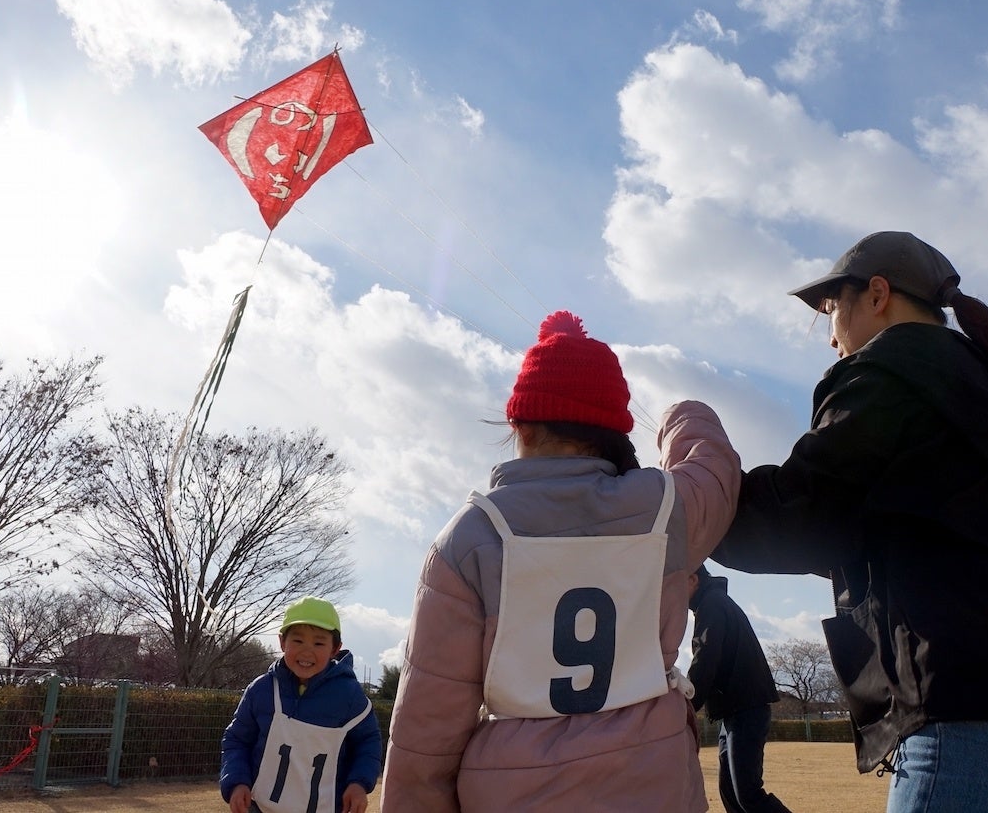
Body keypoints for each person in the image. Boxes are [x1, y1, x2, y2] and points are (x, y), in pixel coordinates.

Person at [713, 231, 988, 812]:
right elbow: (878, 529)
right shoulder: (987, 393)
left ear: (877, 293)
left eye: (833, 311)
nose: (831, 336)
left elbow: (801, 514)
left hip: (978, 721)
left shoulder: (893, 370)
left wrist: (695, 493)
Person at [381, 310, 741, 811]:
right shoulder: (661, 509)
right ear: (614, 430)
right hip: (652, 782)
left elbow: (427, 727)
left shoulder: (469, 536)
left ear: (520, 425)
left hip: (513, 789)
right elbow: (715, 470)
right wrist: (681, 413)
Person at [220, 596, 383, 813]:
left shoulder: (349, 696)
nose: (307, 651)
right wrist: (237, 781)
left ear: (335, 649)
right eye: (297, 641)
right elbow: (236, 740)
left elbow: (368, 743)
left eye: (318, 643)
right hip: (260, 807)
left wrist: (359, 783)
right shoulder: (261, 690)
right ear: (281, 642)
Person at [687, 564, 792, 813]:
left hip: (745, 708)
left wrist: (687, 706)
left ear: (692, 579)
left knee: (748, 795)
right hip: (735, 710)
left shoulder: (711, 604)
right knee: (732, 794)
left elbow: (705, 658)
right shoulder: (715, 601)